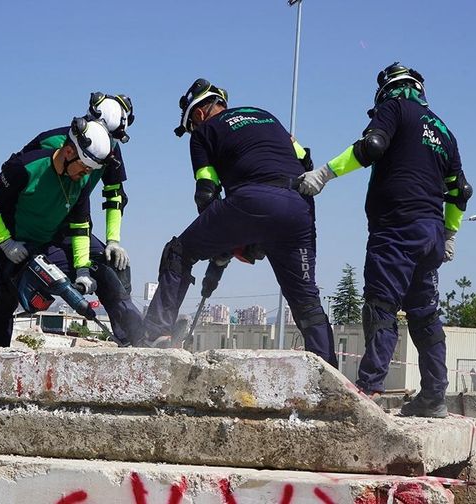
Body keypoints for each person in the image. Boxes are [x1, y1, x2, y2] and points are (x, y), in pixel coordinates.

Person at [297, 62, 473, 417]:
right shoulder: (444, 130)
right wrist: (451, 234)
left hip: (395, 229)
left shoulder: (394, 107)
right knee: (425, 316)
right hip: (430, 234)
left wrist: (324, 174)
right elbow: (461, 191)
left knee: (381, 308)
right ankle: (434, 397)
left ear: (388, 88)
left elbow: (373, 145)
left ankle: (369, 388)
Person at [140, 78, 338, 368]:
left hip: (250, 200)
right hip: (298, 207)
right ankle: (329, 373)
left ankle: (155, 335)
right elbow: (305, 161)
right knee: (307, 301)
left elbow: (206, 193)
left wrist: (225, 243)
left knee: (179, 252)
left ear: (198, 114)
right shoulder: (267, 116)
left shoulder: (204, 132)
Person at [0, 118, 116, 347]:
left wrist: (82, 271)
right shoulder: (25, 167)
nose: (86, 175)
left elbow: (80, 228)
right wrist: (6, 242)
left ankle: (130, 334)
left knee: (102, 268)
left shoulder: (79, 183)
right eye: (84, 167)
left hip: (42, 248)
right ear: (69, 151)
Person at [15, 93, 143, 345]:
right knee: (25, 276)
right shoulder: (50, 141)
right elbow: (15, 179)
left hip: (74, 224)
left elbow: (114, 195)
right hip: (33, 225)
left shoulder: (112, 150)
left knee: (113, 265)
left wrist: (113, 241)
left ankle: (134, 338)